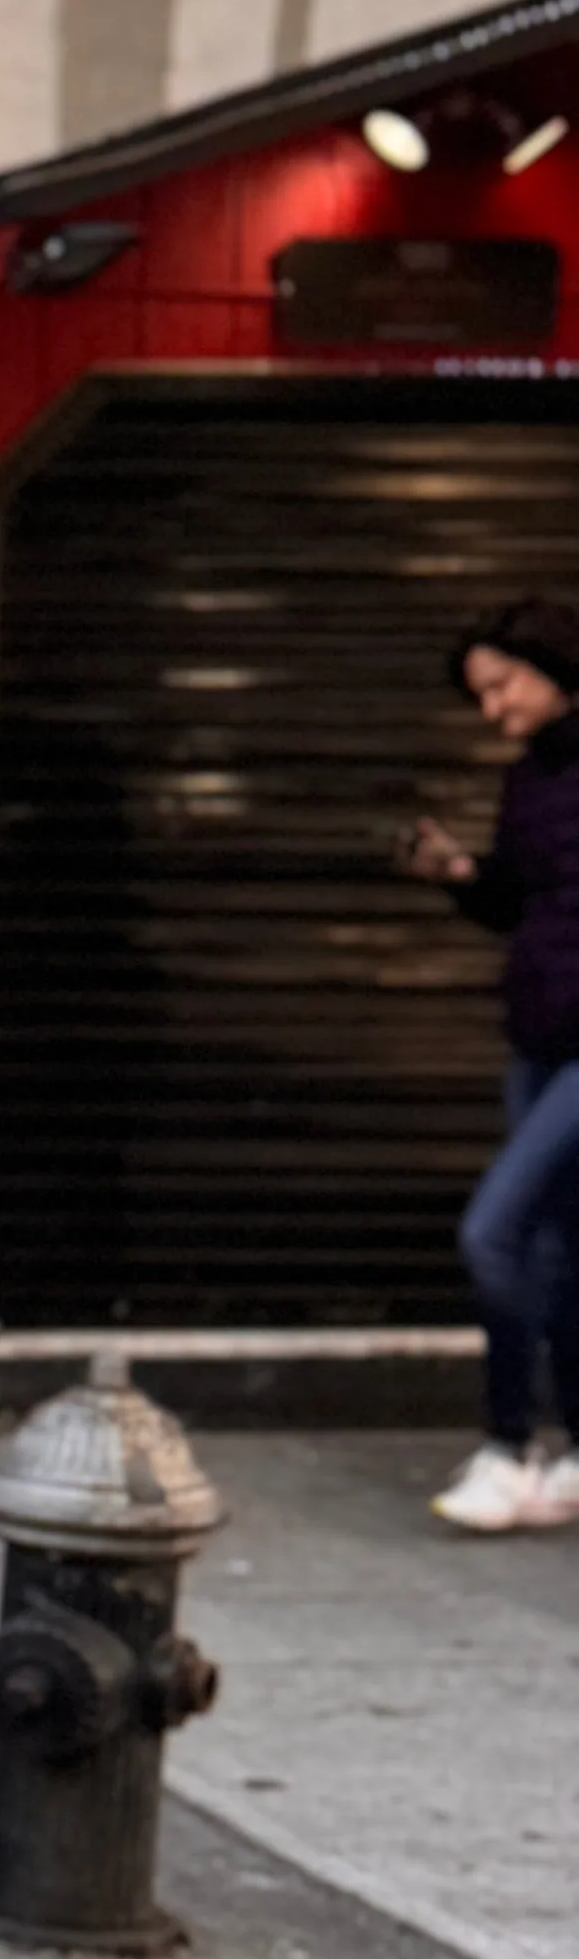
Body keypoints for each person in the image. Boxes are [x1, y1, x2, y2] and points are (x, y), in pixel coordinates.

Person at [402, 591, 579, 1532]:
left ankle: (509, 1447)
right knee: (556, 1248)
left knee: (493, 1234)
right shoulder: (529, 780)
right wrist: (460, 876)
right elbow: (519, 903)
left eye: (503, 686)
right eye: (482, 694)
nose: (493, 710)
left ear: (555, 667)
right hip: (541, 1038)